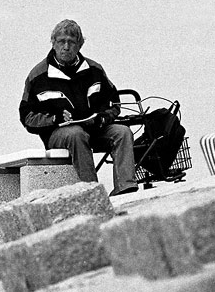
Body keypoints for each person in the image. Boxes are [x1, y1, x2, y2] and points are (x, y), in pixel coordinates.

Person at [19, 19, 138, 196]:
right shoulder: (38, 76)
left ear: (80, 45)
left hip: (96, 129)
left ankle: (126, 188)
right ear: (53, 43)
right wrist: (54, 119)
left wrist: (104, 117)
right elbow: (27, 116)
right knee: (76, 134)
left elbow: (114, 102)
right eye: (61, 41)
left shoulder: (94, 69)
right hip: (59, 134)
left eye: (71, 42)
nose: (66, 47)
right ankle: (93, 193)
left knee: (122, 132)